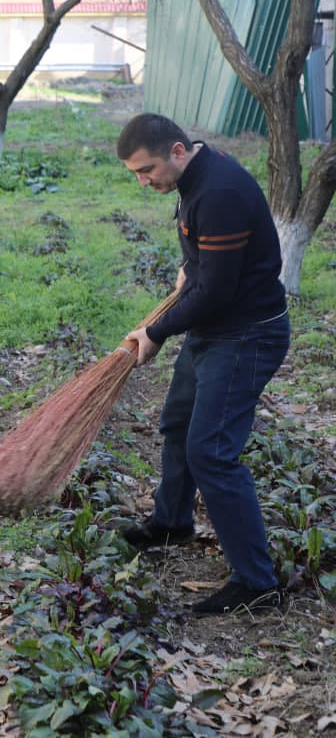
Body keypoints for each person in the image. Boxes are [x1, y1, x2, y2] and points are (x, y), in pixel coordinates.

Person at [115, 113, 289, 616]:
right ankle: (172, 523)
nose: (144, 181)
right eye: (135, 174)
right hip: (215, 329)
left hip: (246, 336)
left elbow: (216, 291)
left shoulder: (219, 190)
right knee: (177, 423)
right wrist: (190, 266)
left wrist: (154, 331)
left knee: (210, 451)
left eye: (146, 170)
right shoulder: (194, 177)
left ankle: (257, 582)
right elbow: (207, 270)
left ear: (175, 150)